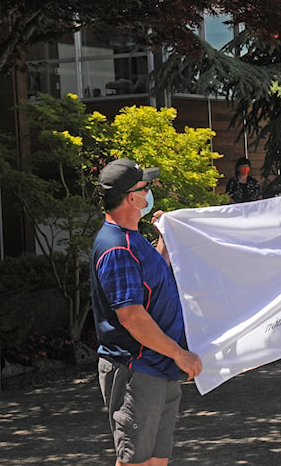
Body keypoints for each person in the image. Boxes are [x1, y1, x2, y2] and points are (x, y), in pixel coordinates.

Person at [90, 158, 202, 466]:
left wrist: (164, 239)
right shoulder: (117, 248)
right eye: (146, 187)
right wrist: (179, 354)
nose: (150, 193)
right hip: (137, 369)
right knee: (135, 462)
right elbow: (131, 316)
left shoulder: (133, 238)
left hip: (157, 365)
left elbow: (156, 275)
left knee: (155, 461)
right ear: (131, 198)